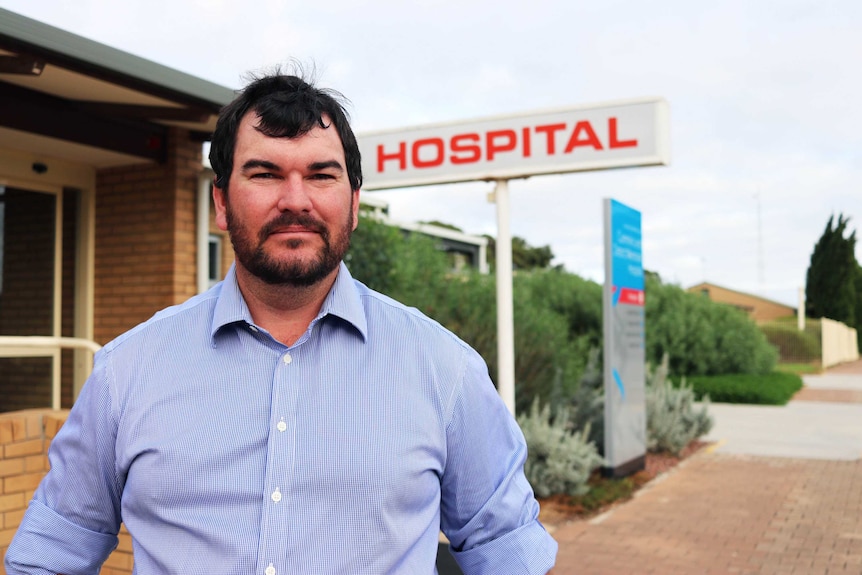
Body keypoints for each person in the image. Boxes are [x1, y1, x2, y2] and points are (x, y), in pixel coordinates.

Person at [5, 71, 558, 574]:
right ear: (221, 202)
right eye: (265, 173)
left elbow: (507, 548)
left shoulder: (445, 370)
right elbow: (51, 554)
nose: (296, 201)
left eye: (321, 175)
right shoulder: (125, 371)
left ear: (355, 202)